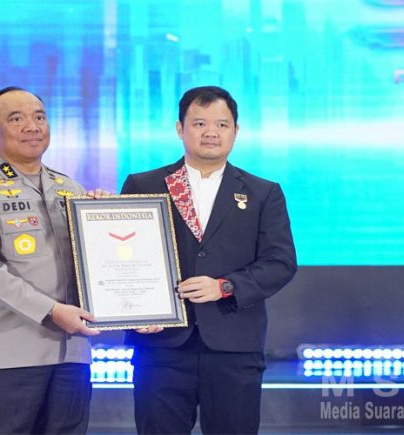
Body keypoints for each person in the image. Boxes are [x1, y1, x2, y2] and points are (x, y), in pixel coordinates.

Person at [121, 86, 297, 434]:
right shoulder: (144, 184)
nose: (211, 132)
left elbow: (280, 262)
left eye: (222, 124)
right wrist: (134, 311)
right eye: (199, 123)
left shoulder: (263, 192)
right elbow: (123, 257)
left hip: (234, 345)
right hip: (161, 345)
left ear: (236, 130)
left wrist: (225, 286)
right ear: (180, 128)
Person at [0, 86, 100, 434]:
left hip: (71, 354)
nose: (32, 127)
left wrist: (104, 216)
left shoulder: (70, 188)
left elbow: (93, 264)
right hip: (7, 355)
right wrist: (51, 310)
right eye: (16, 119)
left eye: (39, 117)